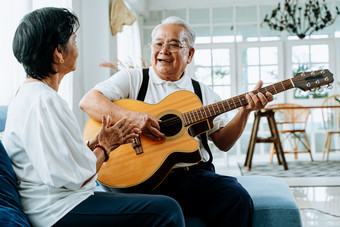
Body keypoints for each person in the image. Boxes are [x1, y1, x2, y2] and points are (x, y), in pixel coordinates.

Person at [80, 16, 274, 226]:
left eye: (173, 45)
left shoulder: (202, 93)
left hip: (195, 177)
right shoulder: (133, 79)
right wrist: (133, 118)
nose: (164, 50)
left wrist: (245, 111)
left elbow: (224, 143)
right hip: (143, 178)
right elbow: (89, 101)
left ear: (189, 54)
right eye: (158, 43)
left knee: (237, 198)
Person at [3, 8, 186, 227]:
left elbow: (54, 156)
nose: (78, 50)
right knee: (168, 210)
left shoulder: (26, 94)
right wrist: (106, 146)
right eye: (74, 41)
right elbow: (71, 177)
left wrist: (94, 142)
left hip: (55, 204)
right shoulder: (45, 101)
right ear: (58, 53)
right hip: (58, 211)